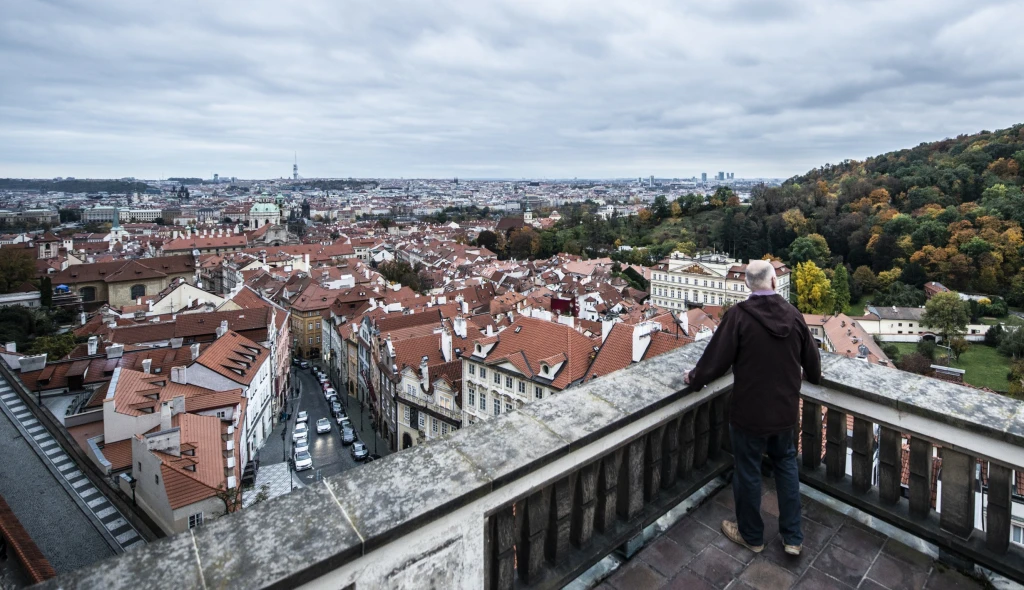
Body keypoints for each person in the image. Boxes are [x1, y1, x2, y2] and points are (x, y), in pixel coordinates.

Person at [684, 259, 821, 555]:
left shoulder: (738, 316)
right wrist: (810, 376)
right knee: (786, 467)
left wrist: (694, 379)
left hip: (748, 411)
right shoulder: (794, 315)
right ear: (774, 282)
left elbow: (715, 361)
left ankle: (752, 536)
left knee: (747, 470)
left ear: (747, 285)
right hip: (784, 410)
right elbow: (814, 366)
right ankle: (793, 538)